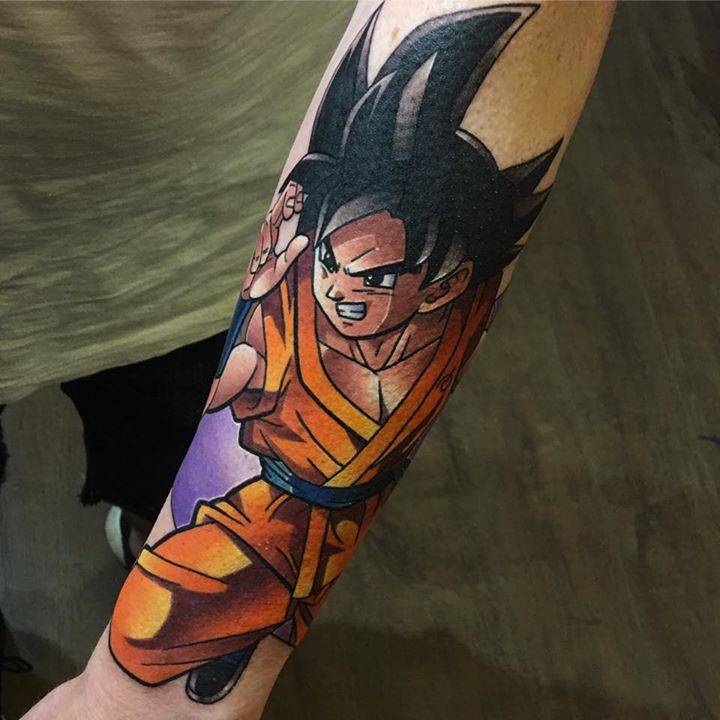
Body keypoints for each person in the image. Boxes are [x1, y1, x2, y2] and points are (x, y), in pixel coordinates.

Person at [22, 2, 615, 719]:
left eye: (375, 276)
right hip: (37, 180)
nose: (339, 290)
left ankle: (159, 530)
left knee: (162, 440)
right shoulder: (293, 299)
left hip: (214, 183)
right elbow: (243, 380)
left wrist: (136, 705)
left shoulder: (440, 316)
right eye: (331, 264)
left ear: (443, 283)